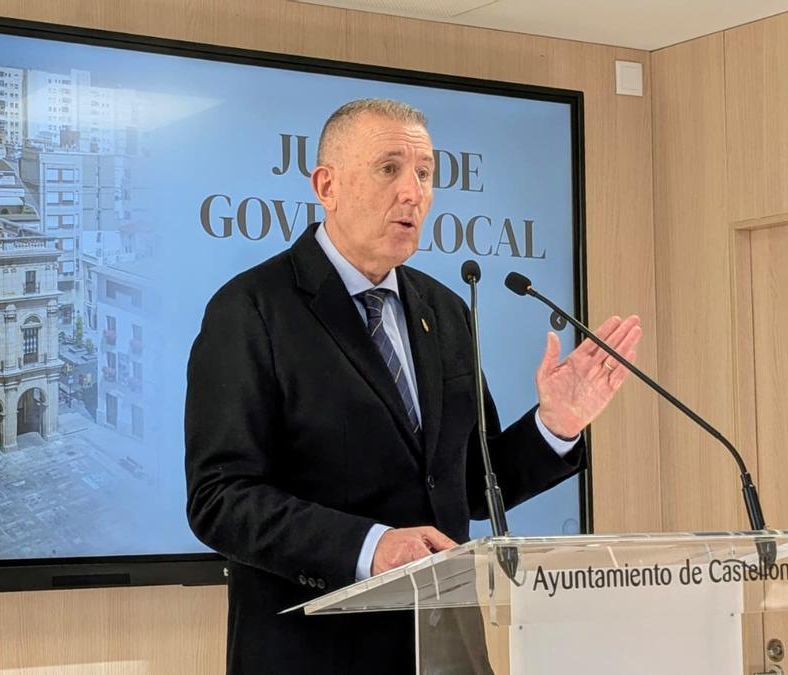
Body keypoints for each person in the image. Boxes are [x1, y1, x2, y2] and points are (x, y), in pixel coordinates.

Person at [185, 98, 642, 675]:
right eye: (389, 169)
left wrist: (555, 425)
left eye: (425, 174)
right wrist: (371, 546)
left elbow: (472, 483)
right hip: (313, 653)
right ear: (326, 185)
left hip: (444, 646)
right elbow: (220, 499)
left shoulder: (443, 310)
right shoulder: (251, 309)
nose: (414, 191)